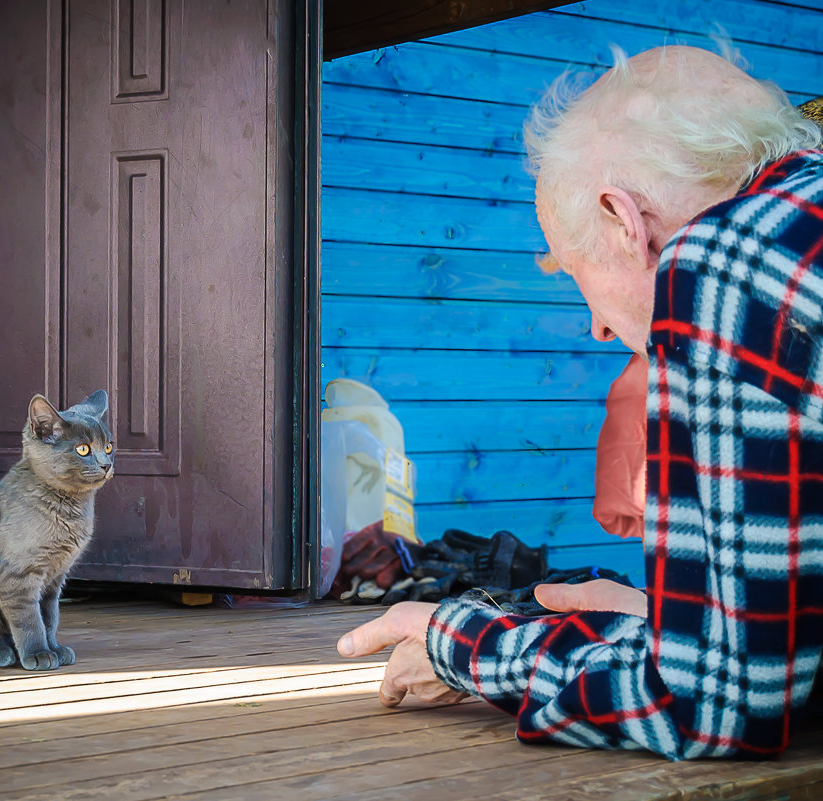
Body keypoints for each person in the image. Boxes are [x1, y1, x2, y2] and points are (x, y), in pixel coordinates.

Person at [337, 45, 823, 760]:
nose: (596, 325)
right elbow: (771, 663)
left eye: (574, 271)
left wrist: (463, 642)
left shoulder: (724, 260)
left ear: (625, 220)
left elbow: (710, 704)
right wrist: (668, 624)